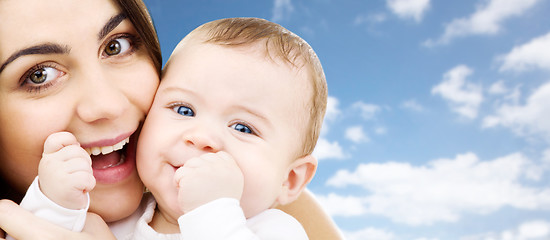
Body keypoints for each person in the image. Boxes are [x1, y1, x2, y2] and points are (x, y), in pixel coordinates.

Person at [0, 0, 342, 239]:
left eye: (117, 45)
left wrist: (211, 212)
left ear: (292, 179)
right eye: (39, 74)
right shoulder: (138, 215)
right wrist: (54, 201)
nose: (108, 105)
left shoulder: (273, 223)